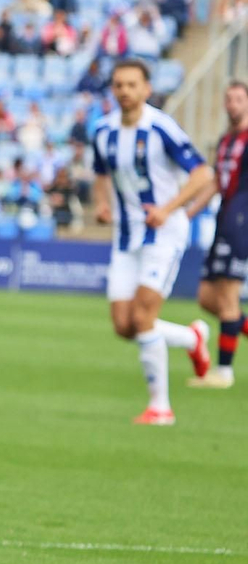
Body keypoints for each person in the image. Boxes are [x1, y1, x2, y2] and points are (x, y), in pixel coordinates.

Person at [90, 60, 214, 424]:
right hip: (126, 236)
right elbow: (100, 173)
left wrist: (168, 208)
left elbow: (203, 173)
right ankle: (193, 339)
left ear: (146, 89)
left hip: (164, 232)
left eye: (132, 85)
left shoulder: (160, 127)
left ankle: (160, 407)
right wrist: (101, 204)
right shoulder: (102, 131)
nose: (124, 91)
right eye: (118, 85)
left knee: (144, 317)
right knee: (123, 325)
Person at [188, 80, 248, 389]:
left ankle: (223, 372)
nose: (232, 104)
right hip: (223, 222)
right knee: (207, 298)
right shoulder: (226, 141)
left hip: (241, 226)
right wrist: (187, 212)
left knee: (227, 299)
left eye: (238, 99)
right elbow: (216, 182)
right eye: (228, 98)